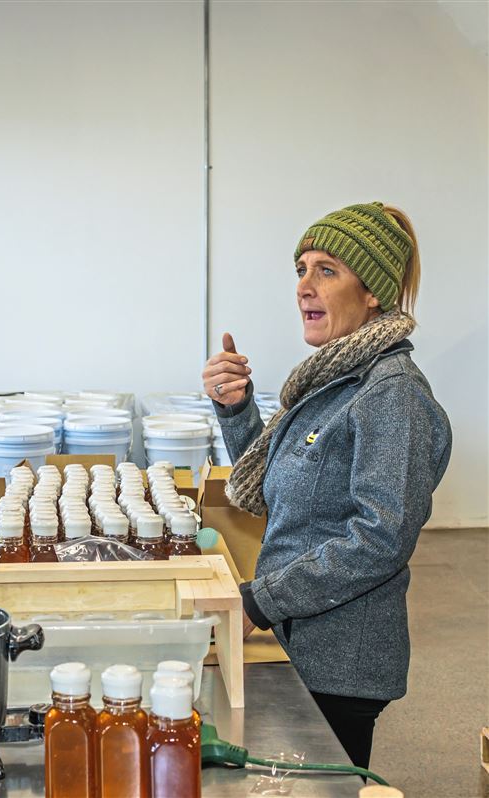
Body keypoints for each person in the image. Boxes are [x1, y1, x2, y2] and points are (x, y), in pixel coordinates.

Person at [201, 202, 451, 770]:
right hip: (300, 638)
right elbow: (278, 491)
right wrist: (237, 410)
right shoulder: (335, 381)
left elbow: (380, 541)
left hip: (341, 660)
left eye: (327, 271)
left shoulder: (389, 394)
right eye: (301, 269)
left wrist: (262, 601)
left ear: (372, 294)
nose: (304, 287)